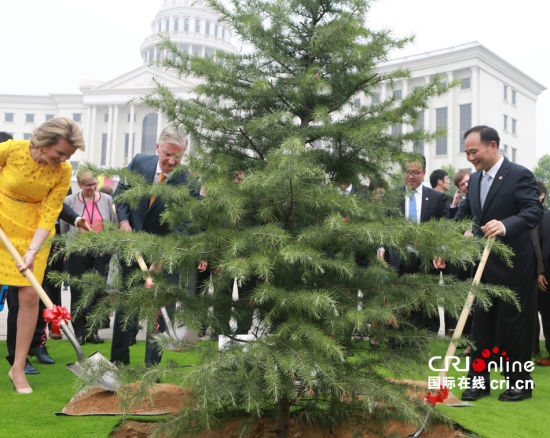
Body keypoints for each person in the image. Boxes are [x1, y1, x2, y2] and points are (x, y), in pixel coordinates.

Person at [456, 125, 542, 402]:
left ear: (492, 146)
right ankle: (479, 382)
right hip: (482, 268)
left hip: (515, 268)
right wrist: (464, 230)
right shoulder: (476, 180)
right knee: (480, 330)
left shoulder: (520, 175)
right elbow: (467, 214)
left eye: (474, 151)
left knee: (514, 329)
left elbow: (533, 211)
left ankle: (520, 383)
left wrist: (505, 225)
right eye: (467, 153)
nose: (470, 157)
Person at [0, 117, 84, 393]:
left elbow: (50, 213)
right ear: (45, 141)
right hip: (2, 216)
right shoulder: (11, 150)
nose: (62, 160)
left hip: (33, 231)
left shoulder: (62, 172)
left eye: (67, 156)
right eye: (59, 153)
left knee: (30, 294)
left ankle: (18, 367)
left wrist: (33, 250)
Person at [111, 126, 201, 366]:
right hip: (133, 247)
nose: (172, 161)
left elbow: (185, 224)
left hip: (166, 252)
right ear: (157, 148)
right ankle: (118, 363)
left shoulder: (189, 182)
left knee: (161, 310)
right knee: (127, 306)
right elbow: (120, 193)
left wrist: (161, 259)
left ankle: (152, 368)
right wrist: (123, 222)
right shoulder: (140, 162)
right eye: (167, 154)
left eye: (178, 156)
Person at [61, 169, 117, 345]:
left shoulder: (107, 200)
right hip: (78, 251)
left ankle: (94, 330)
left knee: (98, 290)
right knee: (77, 290)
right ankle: (78, 331)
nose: (92, 188)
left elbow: (113, 223)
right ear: (79, 185)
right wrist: (66, 247)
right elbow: (64, 226)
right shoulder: (70, 201)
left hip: (101, 251)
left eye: (94, 184)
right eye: (88, 185)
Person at [532, 181, 550, 365]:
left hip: (543, 273)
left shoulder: (545, 216)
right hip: (531, 272)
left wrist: (541, 272)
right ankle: (533, 347)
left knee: (546, 313)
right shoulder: (529, 215)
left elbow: (544, 248)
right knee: (530, 312)